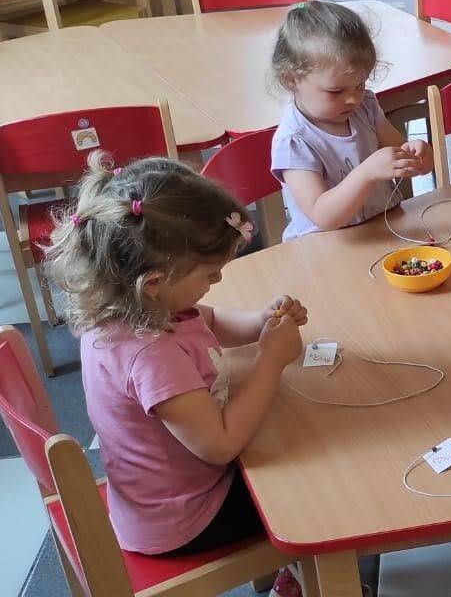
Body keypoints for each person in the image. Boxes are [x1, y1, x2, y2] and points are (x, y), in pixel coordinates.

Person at [43, 154, 302, 555]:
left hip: (165, 496)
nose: (218, 279)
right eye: (209, 274)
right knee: (311, 489)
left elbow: (209, 321)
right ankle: (300, 575)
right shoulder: (151, 355)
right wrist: (269, 359)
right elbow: (221, 444)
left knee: (289, 438)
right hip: (186, 519)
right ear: (155, 281)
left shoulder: (138, 304)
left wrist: (259, 323)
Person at [270, 0, 435, 242]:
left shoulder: (364, 107)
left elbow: (401, 153)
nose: (353, 99)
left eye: (360, 85)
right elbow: (323, 217)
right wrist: (367, 173)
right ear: (291, 79)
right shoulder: (294, 141)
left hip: (381, 229)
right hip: (324, 247)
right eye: (336, 91)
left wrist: (418, 156)